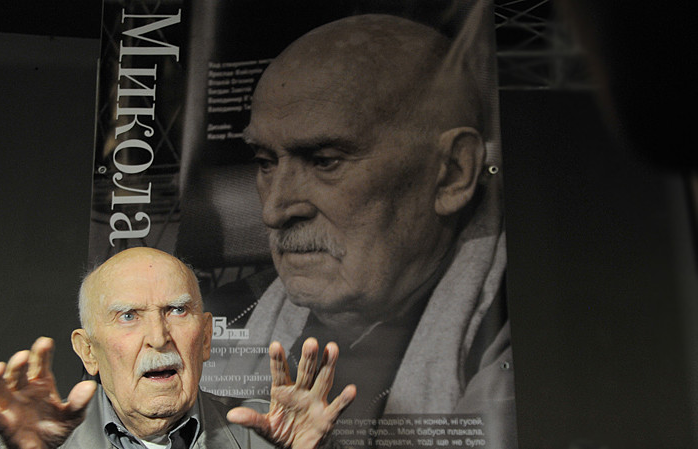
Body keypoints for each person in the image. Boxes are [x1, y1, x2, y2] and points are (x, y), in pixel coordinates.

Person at [204, 12, 515, 448]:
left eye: (325, 161)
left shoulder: (525, 329)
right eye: (265, 162)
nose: (274, 211)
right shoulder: (220, 316)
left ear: (452, 173)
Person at [0, 247, 356, 449]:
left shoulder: (271, 438)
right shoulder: (38, 446)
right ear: (88, 351)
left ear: (205, 338)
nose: (159, 337)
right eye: (128, 315)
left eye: (176, 310)